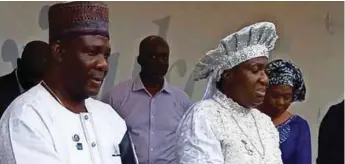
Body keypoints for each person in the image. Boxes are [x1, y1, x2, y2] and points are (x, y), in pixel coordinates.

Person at [0, 2, 137, 164]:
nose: (103, 64)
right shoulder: (26, 117)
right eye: (92, 52)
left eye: (106, 55)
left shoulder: (110, 117)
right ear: (58, 51)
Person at [175, 22, 283, 164]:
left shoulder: (264, 123)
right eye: (255, 70)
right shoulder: (204, 115)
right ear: (228, 74)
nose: (264, 79)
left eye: (265, 71)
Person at [102, 35, 192, 164]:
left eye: (164, 57)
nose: (160, 62)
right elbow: (104, 139)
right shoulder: (116, 97)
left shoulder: (181, 100)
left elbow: (188, 143)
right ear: (140, 60)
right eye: (153, 57)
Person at [258, 59, 311, 164]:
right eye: (275, 95)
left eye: (287, 97)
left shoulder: (299, 126)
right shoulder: (248, 120)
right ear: (265, 91)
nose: (281, 102)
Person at [0, 40, 50, 116]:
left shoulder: (51, 93)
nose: (37, 84)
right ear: (19, 64)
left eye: (42, 79)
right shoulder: (2, 89)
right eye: (32, 78)